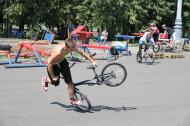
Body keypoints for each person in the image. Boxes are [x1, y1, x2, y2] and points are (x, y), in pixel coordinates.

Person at [41, 37, 97, 105]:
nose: (74, 48)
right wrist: (52, 76)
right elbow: (49, 64)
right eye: (72, 47)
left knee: (69, 82)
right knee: (55, 82)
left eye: (74, 46)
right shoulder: (59, 51)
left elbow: (82, 53)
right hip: (53, 65)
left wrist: (92, 61)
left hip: (62, 62)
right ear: (67, 47)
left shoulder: (72, 46)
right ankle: (45, 79)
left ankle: (72, 99)